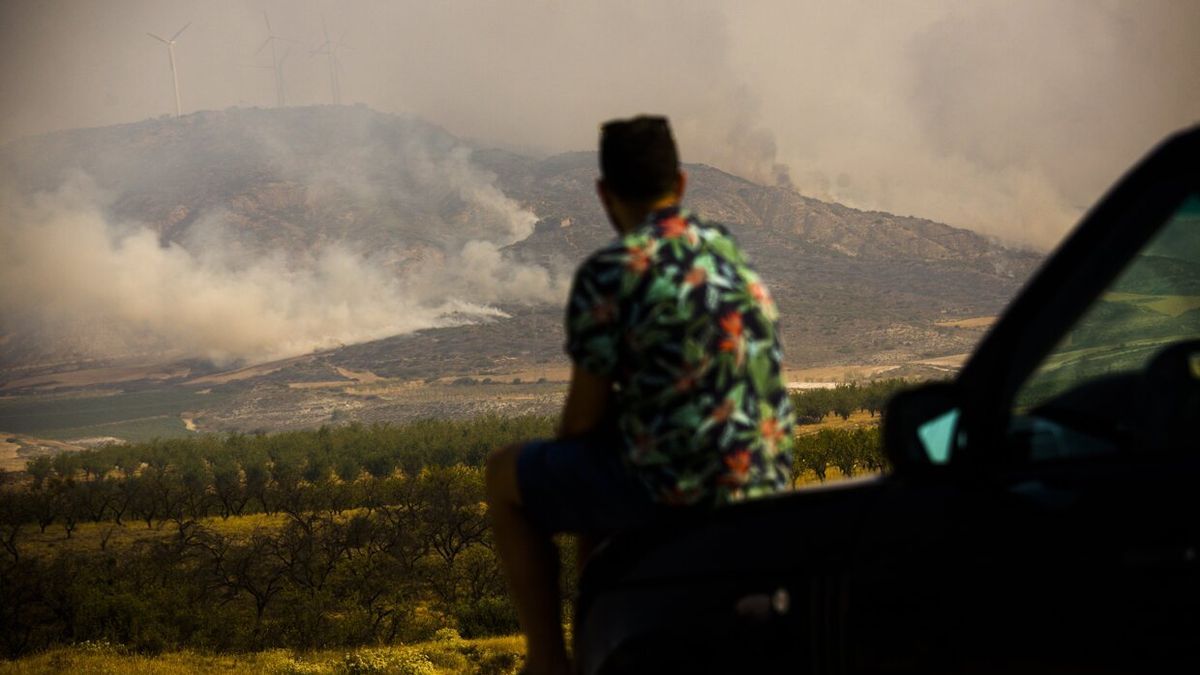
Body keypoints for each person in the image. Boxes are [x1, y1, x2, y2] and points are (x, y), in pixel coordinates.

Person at [484, 115, 794, 675]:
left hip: (677, 489)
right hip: (766, 483)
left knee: (504, 477)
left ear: (604, 194)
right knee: (604, 462)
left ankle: (551, 661)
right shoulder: (728, 251)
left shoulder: (613, 271)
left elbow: (579, 424)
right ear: (680, 184)